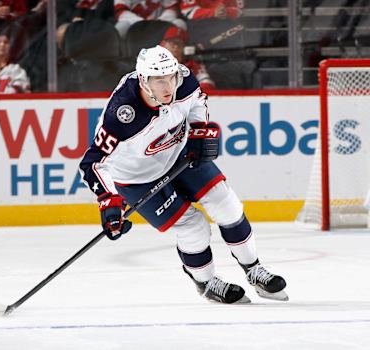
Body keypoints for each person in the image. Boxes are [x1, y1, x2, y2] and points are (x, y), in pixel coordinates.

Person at [79, 45, 288, 304]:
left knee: (226, 203)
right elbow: (93, 163)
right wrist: (108, 200)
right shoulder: (123, 115)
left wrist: (200, 129)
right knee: (193, 226)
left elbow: (198, 102)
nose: (168, 87)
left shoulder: (184, 79)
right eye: (159, 81)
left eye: (171, 78)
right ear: (144, 81)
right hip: (137, 177)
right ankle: (207, 283)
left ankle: (254, 269)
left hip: (178, 154)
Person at [159, 26, 215, 92]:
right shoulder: (152, 63)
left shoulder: (192, 65)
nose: (176, 47)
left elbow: (207, 83)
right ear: (163, 44)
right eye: (172, 42)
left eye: (180, 43)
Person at [114, 0, 186, 38]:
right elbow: (120, 10)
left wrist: (159, 21)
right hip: (134, 25)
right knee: (121, 27)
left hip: (160, 25)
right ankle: (120, 60)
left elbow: (172, 8)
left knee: (179, 24)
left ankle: (181, 58)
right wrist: (142, 22)